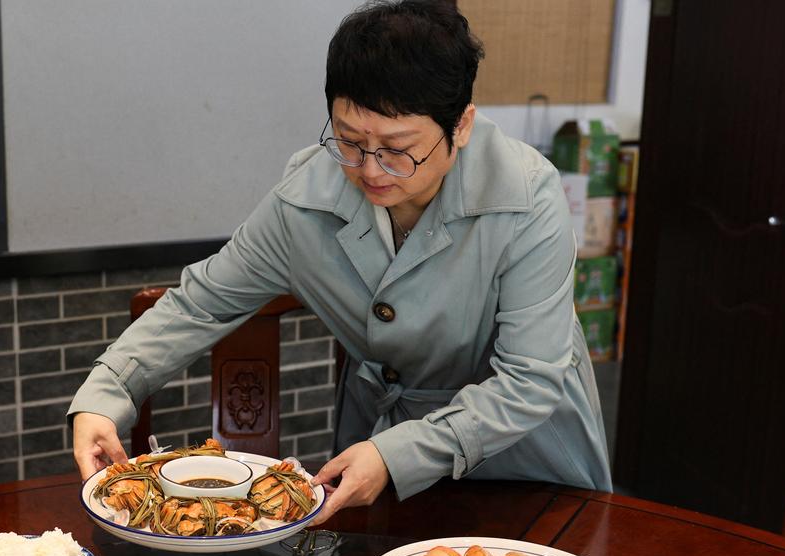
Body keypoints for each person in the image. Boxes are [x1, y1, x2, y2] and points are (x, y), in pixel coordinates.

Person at [68, 0, 612, 524]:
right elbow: (200, 305)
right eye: (349, 141)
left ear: (462, 125)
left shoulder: (527, 197)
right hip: (373, 462)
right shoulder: (305, 201)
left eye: (399, 149)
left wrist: (395, 454)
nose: (370, 169)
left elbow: (528, 381)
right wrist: (107, 391)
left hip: (525, 464)